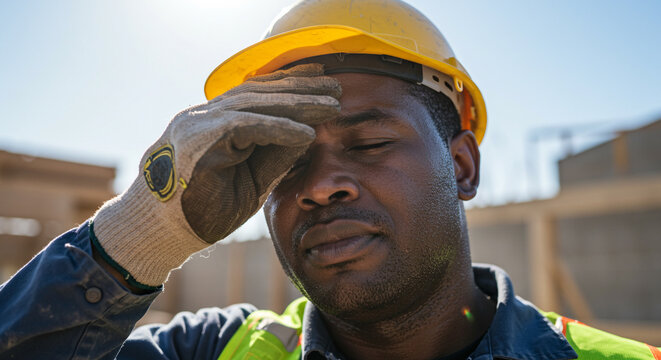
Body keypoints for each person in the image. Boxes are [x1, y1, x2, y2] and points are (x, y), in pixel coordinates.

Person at [0, 0, 659, 359]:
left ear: (461, 166)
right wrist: (143, 230)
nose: (319, 187)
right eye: (284, 163)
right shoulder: (212, 352)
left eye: (370, 142)